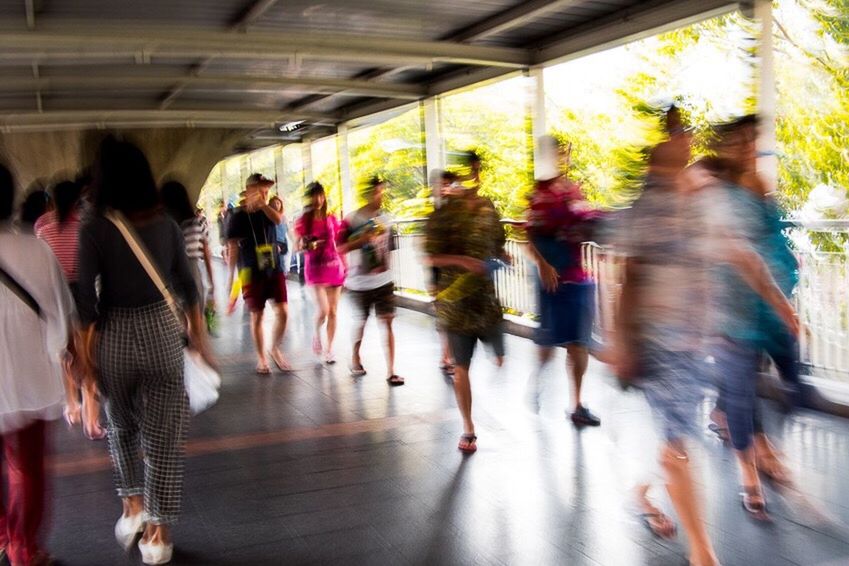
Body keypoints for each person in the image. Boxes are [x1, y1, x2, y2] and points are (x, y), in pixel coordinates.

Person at [611, 120, 797, 566]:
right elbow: (627, 277)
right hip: (659, 344)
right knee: (679, 440)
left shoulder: (706, 208)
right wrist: (622, 341)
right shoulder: (646, 209)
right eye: (679, 148)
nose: (688, 156)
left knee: (680, 437)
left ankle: (642, 491)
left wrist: (781, 306)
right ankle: (703, 552)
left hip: (698, 343)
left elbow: (743, 256)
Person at [76, 138, 213, 565]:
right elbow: (188, 288)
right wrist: (202, 344)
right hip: (159, 332)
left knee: (121, 427)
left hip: (114, 334)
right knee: (165, 440)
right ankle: (159, 535)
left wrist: (85, 368)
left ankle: (131, 506)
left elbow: (85, 304)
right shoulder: (167, 224)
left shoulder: (94, 227)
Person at [699, 116, 800, 520]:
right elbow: (729, 251)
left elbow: (770, 236)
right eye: (739, 141)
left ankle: (760, 444)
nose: (747, 147)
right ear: (724, 146)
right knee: (740, 390)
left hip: (766, 306)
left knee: (778, 380)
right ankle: (750, 474)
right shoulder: (713, 189)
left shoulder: (758, 183)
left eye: (751, 141)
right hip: (731, 303)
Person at [0, 163, 73, 566]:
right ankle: (24, 548)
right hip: (29, 381)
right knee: (28, 469)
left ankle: (3, 534)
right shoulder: (35, 248)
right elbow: (61, 321)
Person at [425, 162, 509, 453]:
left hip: (486, 301)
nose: (469, 181)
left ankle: (482, 397)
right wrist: (461, 262)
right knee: (461, 366)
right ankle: (468, 427)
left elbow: (498, 241)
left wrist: (502, 254)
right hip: (455, 304)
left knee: (500, 358)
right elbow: (430, 257)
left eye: (476, 173)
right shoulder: (442, 216)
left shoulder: (487, 207)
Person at [526, 136, 603, 427]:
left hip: (578, 276)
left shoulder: (574, 189)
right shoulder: (540, 193)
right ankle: (538, 378)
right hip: (554, 278)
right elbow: (530, 234)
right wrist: (543, 266)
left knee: (578, 342)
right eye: (556, 153)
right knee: (548, 342)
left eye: (564, 152)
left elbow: (584, 224)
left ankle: (578, 404)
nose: (561, 157)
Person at [35, 179, 106, 441]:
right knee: (89, 353)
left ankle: (71, 406)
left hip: (56, 296)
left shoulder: (42, 228)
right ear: (78, 199)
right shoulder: (86, 226)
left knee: (66, 353)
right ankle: (92, 419)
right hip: (84, 294)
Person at [338, 177, 404, 385]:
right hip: (359, 283)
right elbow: (340, 248)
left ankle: (391, 370)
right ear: (367, 194)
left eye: (382, 191)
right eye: (376, 192)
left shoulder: (386, 219)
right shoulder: (351, 220)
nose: (380, 196)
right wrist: (361, 240)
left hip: (384, 281)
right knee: (361, 321)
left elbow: (390, 249)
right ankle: (355, 356)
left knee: (387, 321)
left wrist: (386, 267)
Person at [225, 174, 289, 375]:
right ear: (249, 190)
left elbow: (278, 220)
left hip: (273, 267)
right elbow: (233, 247)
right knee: (257, 315)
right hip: (250, 270)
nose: (265, 192)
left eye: (267, 189)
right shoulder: (237, 215)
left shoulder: (269, 210)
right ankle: (262, 358)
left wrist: (263, 205)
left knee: (283, 312)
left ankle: (275, 347)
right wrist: (230, 278)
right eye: (261, 188)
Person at [294, 182, 346, 364]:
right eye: (315, 196)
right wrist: (306, 244)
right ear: (309, 198)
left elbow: (340, 244)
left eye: (321, 196)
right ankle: (316, 334)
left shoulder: (331, 219)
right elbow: (297, 246)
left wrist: (346, 266)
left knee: (333, 312)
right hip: (315, 269)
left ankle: (330, 349)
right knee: (323, 310)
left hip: (334, 267)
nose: (318, 200)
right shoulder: (303, 221)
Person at [161, 181, 216, 303]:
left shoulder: (162, 225)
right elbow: (206, 253)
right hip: (193, 272)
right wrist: (212, 283)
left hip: (169, 276)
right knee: (196, 312)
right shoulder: (197, 222)